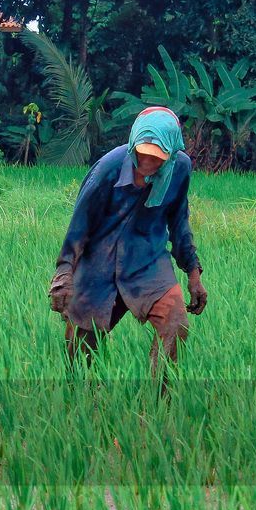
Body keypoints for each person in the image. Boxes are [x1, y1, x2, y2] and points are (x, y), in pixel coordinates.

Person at [48, 106, 206, 373]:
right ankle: (82, 402)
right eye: (142, 154)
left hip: (147, 260)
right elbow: (80, 224)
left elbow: (179, 222)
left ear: (170, 154)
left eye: (156, 159)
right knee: (80, 350)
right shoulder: (108, 168)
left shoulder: (180, 168)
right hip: (99, 260)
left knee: (175, 323)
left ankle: (159, 402)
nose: (146, 163)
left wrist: (193, 273)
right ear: (133, 143)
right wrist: (65, 272)